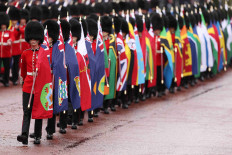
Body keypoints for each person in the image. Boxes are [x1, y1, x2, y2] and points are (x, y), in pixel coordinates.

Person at [17, 21, 44, 145]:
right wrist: (23, 81)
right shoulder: (25, 53)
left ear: (39, 39)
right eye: (31, 38)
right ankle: (24, 135)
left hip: (39, 86)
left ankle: (37, 135)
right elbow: (22, 70)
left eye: (35, 38)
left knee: (38, 111)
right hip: (28, 85)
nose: (33, 40)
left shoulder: (44, 53)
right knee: (26, 110)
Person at [0, 12, 14, 87]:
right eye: (2, 25)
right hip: (0, 52)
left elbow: (12, 38)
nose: (3, 26)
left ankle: (6, 81)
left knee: (7, 68)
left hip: (6, 53)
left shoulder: (9, 32)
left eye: (4, 25)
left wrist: (10, 40)